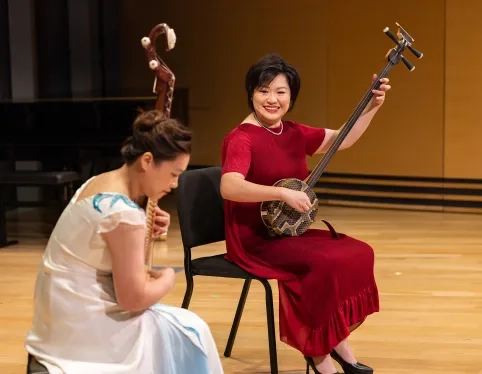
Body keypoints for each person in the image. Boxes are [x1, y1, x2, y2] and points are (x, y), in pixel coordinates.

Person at [220, 54, 391, 374]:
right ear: (251, 94)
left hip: (287, 231)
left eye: (280, 92)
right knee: (321, 263)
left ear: (291, 97)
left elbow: (343, 138)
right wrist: (281, 192)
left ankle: (336, 342)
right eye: (263, 90)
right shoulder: (241, 138)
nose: (272, 99)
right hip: (255, 239)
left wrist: (373, 105)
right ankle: (319, 355)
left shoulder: (293, 132)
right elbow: (230, 187)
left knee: (358, 252)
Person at [24, 110, 224, 374]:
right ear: (147, 161)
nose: (175, 184)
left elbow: (96, 247)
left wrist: (140, 233)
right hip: (81, 331)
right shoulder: (123, 214)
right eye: (173, 174)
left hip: (58, 317)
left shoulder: (97, 182)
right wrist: (167, 279)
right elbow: (133, 299)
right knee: (191, 332)